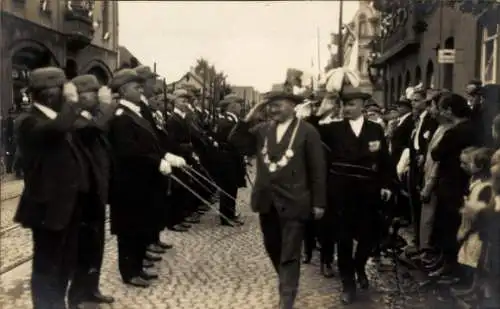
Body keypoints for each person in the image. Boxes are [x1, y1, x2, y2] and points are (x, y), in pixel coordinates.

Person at [229, 88, 326, 309]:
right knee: (273, 247)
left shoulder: (307, 131)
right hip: (267, 201)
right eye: (270, 105)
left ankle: (287, 297)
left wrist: (319, 202)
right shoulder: (262, 130)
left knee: (290, 251)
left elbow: (317, 169)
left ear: (292, 106)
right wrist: (251, 114)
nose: (273, 109)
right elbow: (235, 141)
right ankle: (285, 282)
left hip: (295, 200)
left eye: (278, 104)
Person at [14, 67, 85, 309]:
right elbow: (56, 130)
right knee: (47, 269)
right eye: (62, 90)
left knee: (64, 265)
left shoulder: (55, 119)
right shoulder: (28, 120)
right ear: (48, 94)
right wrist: (73, 102)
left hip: (66, 206)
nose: (67, 95)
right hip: (46, 209)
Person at [107, 69, 186, 287]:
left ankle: (138, 266)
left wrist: (164, 154)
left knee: (141, 224)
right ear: (123, 90)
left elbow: (149, 143)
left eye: (141, 86)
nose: (141, 90)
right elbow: (128, 151)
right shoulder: (121, 116)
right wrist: (156, 161)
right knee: (129, 230)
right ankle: (129, 272)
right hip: (129, 183)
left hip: (144, 181)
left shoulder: (136, 113)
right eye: (136, 87)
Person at [319, 82, 395, 305]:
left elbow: (385, 161)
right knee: (342, 239)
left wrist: (387, 185)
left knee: (368, 238)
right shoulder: (333, 129)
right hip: (341, 194)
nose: (347, 109)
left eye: (351, 104)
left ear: (363, 104)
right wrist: (325, 106)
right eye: (344, 105)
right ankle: (348, 284)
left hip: (368, 194)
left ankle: (359, 265)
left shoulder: (375, 129)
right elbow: (310, 126)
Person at [66, 74, 116, 308]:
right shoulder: (75, 119)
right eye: (92, 93)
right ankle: (76, 296)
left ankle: (91, 289)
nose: (97, 97)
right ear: (78, 96)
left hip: (96, 193)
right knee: (81, 248)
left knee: (95, 245)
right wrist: (107, 106)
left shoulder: (92, 118)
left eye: (98, 93)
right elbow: (94, 129)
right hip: (81, 196)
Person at [213, 94, 246, 226]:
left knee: (232, 187)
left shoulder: (232, 120)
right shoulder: (226, 122)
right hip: (227, 159)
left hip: (232, 157)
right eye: (239, 105)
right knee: (228, 187)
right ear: (232, 106)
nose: (240, 107)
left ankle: (230, 213)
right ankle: (225, 216)